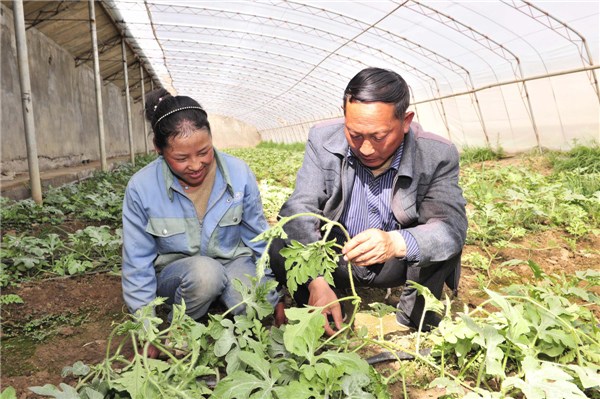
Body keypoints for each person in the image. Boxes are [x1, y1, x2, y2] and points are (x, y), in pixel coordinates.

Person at [269, 67, 467, 336]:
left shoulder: (436, 154)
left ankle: (413, 322)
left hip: (394, 264)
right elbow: (300, 208)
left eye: (378, 136)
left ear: (406, 121)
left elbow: (449, 227)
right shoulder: (322, 139)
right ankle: (322, 307)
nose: (366, 148)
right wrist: (315, 278)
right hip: (334, 257)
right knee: (281, 240)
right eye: (355, 134)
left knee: (440, 243)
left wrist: (395, 242)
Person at [121, 89, 280, 355]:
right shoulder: (141, 187)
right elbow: (137, 263)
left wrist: (271, 295)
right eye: (181, 158)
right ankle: (178, 329)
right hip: (178, 275)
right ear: (158, 150)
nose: (196, 165)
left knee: (251, 304)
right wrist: (146, 327)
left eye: (204, 152)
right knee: (206, 274)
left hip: (233, 262)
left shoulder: (238, 173)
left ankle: (220, 304)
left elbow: (258, 238)